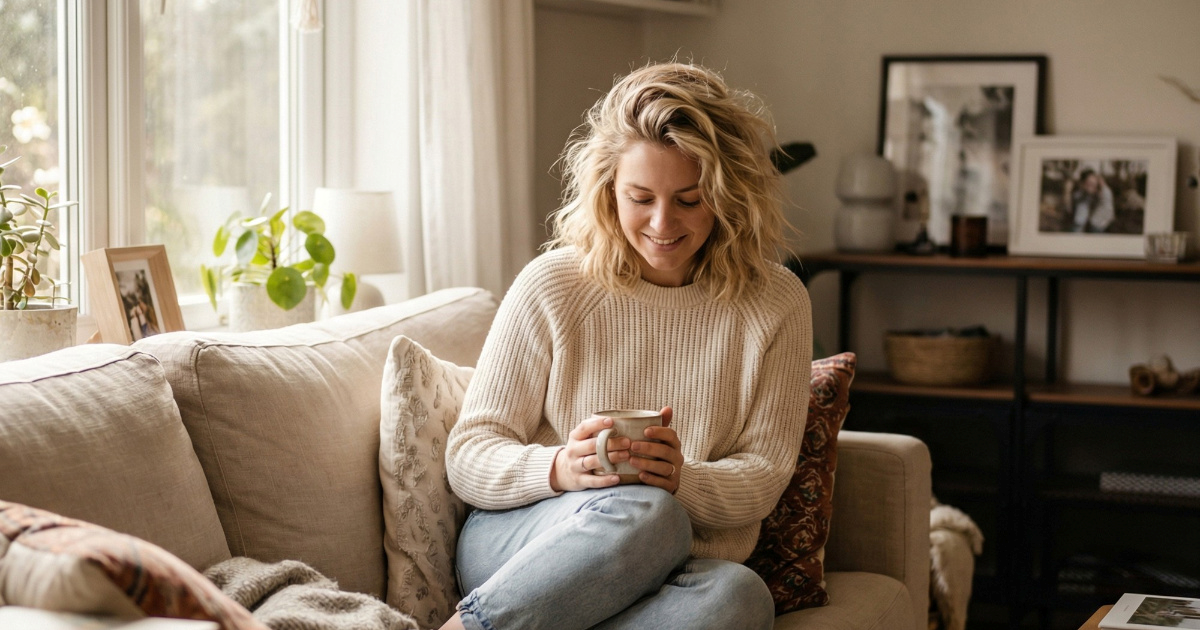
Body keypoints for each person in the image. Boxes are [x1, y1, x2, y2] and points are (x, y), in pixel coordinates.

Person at [441, 62, 813, 630]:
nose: (662, 223)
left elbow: (764, 474)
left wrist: (680, 478)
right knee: (649, 513)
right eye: (640, 197)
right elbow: (470, 453)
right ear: (608, 190)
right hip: (525, 548)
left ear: (727, 196)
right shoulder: (555, 284)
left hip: (668, 565)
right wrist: (562, 468)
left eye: (689, 200)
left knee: (740, 596)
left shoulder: (776, 303)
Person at [1069, 168, 1114, 233]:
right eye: (1089, 184)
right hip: (1080, 225)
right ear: (1083, 183)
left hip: (1096, 225)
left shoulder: (1102, 194)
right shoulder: (1080, 195)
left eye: (1093, 184)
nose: (1092, 186)